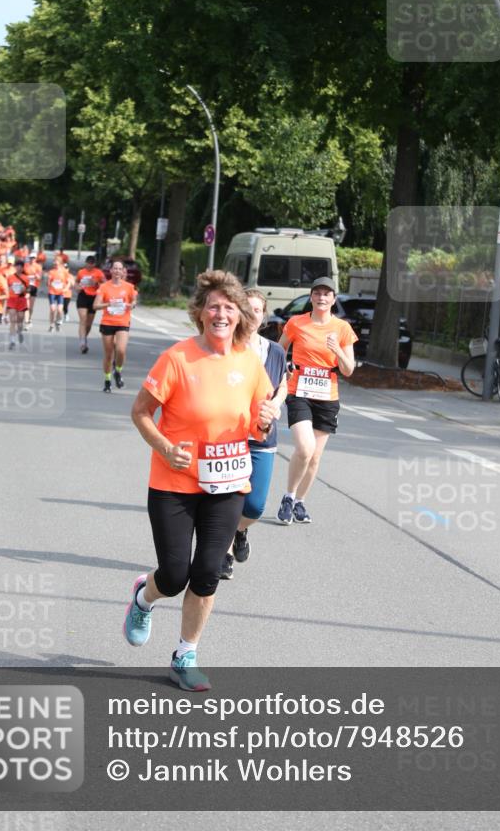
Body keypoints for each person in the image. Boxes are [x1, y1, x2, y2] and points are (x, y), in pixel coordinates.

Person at [126, 270, 277, 691]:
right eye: (213, 306)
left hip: (227, 483)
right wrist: (163, 446)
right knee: (174, 575)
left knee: (208, 570)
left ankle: (185, 654)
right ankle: (143, 597)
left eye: (229, 307)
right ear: (200, 313)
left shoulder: (249, 362)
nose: (221, 313)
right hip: (174, 482)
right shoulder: (177, 358)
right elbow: (140, 412)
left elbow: (258, 423)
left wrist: (265, 421)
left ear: (242, 316)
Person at [276, 276, 357, 525]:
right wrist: (283, 372)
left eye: (327, 294)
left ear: (334, 299)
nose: (322, 298)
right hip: (299, 392)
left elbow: (348, 369)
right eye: (318, 293)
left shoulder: (342, 329)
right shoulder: (296, 323)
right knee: (304, 448)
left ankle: (300, 501)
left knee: (315, 457)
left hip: (327, 397)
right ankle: (288, 497)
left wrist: (338, 350)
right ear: (311, 297)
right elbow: (279, 351)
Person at [219, 289, 287, 580]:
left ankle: (241, 530)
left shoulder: (275, 350)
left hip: (262, 438)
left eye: (257, 310)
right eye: (247, 308)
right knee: (228, 499)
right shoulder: (226, 348)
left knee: (255, 505)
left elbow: (283, 383)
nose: (252, 313)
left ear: (263, 316)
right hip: (229, 436)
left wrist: (275, 404)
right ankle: (225, 554)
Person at [93, 260, 137, 392]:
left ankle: (117, 371)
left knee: (121, 350)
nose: (117, 271)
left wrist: (132, 305)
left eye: (120, 269)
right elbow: (95, 306)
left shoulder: (129, 287)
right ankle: (107, 381)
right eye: (115, 268)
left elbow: (134, 300)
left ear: (123, 271)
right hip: (107, 323)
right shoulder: (104, 287)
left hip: (123, 322)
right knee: (108, 354)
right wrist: (108, 304)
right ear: (111, 271)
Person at [75, 254, 105, 353]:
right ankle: (82, 343)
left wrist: (96, 283)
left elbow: (105, 285)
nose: (89, 266)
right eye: (88, 264)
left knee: (89, 323)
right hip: (83, 296)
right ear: (86, 263)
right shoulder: (81, 272)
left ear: (94, 264)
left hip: (93, 298)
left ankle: (84, 338)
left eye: (91, 264)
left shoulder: (98, 273)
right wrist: (77, 287)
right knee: (83, 319)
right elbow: (76, 282)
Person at [6, 259, 30, 349]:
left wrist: (25, 290)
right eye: (17, 266)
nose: (18, 268)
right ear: (15, 267)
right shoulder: (10, 278)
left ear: (22, 268)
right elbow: (6, 288)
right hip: (12, 300)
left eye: (20, 266)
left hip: (21, 300)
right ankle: (12, 340)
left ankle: (19, 332)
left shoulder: (25, 278)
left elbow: (29, 289)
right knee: (13, 320)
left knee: (20, 320)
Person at [47, 260, 67, 331]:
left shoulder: (64, 272)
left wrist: (65, 288)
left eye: (57, 264)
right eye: (54, 264)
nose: (55, 265)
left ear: (60, 264)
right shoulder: (51, 272)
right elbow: (48, 282)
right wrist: (49, 283)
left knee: (59, 310)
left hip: (60, 293)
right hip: (52, 292)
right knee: (52, 309)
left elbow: (68, 282)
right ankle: (51, 324)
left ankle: (58, 321)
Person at [23, 252, 42, 326]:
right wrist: (27, 277)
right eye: (31, 258)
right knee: (26, 303)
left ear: (35, 259)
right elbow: (22, 276)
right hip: (27, 286)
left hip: (34, 286)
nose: (32, 259)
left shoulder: (38, 267)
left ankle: (29, 318)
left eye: (34, 258)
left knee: (31, 306)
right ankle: (26, 320)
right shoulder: (25, 266)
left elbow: (40, 278)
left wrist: (37, 276)